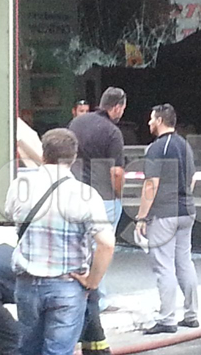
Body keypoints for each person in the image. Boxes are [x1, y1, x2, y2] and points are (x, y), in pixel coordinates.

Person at [5, 128, 115, 355]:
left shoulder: (19, 186)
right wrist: (92, 281)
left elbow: (9, 215)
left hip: (26, 284)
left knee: (28, 350)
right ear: (73, 157)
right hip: (67, 286)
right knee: (58, 351)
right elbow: (106, 244)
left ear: (44, 154)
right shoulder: (85, 194)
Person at [136, 104, 199, 335]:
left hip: (164, 214)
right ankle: (191, 315)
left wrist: (142, 217)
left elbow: (151, 184)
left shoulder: (156, 148)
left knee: (164, 266)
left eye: (152, 119)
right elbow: (192, 178)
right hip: (187, 211)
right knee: (185, 262)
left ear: (160, 121)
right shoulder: (184, 145)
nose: (149, 123)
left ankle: (167, 319)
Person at [68, 87, 126, 311]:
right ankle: (98, 299)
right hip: (103, 198)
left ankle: (76, 294)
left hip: (75, 194)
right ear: (117, 107)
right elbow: (117, 172)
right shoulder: (112, 132)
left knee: (78, 245)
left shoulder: (76, 124)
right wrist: (118, 195)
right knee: (102, 247)